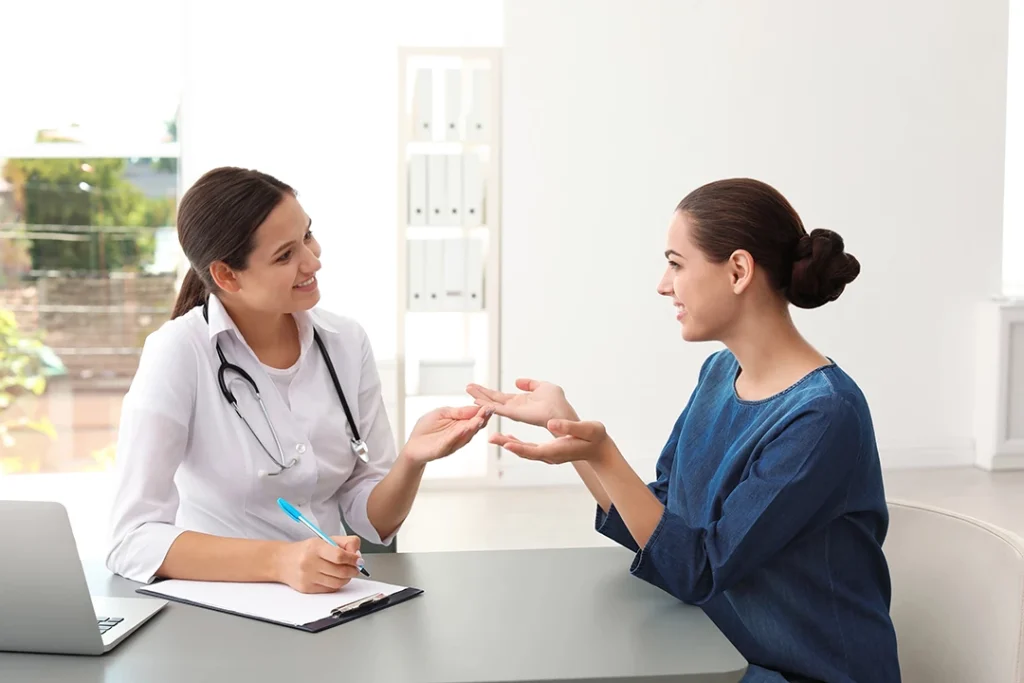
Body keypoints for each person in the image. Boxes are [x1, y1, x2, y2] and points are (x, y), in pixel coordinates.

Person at [467, 178, 901, 682]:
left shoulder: (824, 416)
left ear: (738, 270)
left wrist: (602, 454)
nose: (663, 284)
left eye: (676, 263)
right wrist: (572, 434)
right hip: (714, 652)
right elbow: (664, 526)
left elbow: (700, 566)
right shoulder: (718, 373)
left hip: (799, 673)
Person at [107, 166, 492, 593]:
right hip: (220, 607)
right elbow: (132, 539)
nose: (314, 260)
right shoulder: (179, 352)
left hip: (327, 603)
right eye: (285, 255)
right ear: (226, 276)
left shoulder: (345, 342)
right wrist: (281, 561)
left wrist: (412, 460)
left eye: (307, 236)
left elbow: (373, 520)